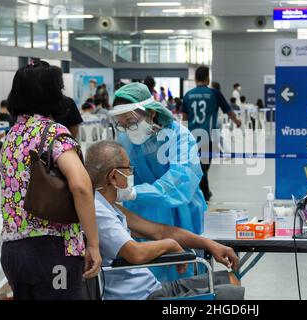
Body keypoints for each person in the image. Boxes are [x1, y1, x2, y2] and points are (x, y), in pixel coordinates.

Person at [85, 141, 244, 300]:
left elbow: (160, 231)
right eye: (128, 168)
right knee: (229, 294)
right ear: (114, 177)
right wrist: (170, 245)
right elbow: (135, 253)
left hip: (152, 287)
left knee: (230, 279)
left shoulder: (109, 206)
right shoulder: (97, 210)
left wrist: (209, 244)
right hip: (142, 296)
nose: (131, 173)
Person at [0, 60, 101, 300]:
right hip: (53, 251)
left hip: (13, 252)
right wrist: (94, 244)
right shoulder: (53, 133)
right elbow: (80, 186)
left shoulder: (12, 135)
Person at [110, 82, 207, 282]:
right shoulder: (125, 139)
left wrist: (135, 193)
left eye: (131, 122)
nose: (128, 129)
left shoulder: (179, 136)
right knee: (146, 279)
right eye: (122, 124)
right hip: (141, 218)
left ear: (151, 113)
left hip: (179, 214)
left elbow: (181, 180)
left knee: (183, 279)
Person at [182, 66, 242, 202]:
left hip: (191, 137)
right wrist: (237, 121)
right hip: (208, 138)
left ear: (196, 78)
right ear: (207, 78)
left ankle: (205, 192)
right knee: (204, 167)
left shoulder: (188, 95)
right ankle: (203, 193)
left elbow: (184, 118)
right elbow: (228, 110)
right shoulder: (214, 94)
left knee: (196, 166)